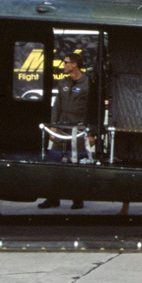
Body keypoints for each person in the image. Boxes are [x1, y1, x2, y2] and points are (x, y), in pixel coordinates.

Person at [38, 53, 90, 210]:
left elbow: (91, 108)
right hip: (61, 128)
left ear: (74, 64)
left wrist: (91, 131)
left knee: (77, 164)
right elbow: (56, 105)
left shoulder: (88, 83)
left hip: (78, 130)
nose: (64, 65)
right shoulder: (63, 83)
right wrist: (53, 126)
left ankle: (77, 199)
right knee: (55, 163)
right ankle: (53, 198)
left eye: (66, 63)